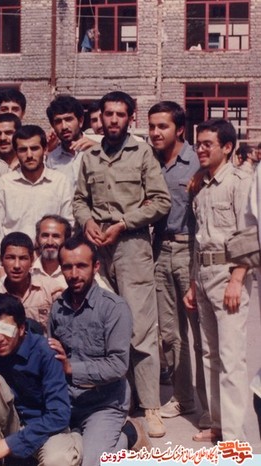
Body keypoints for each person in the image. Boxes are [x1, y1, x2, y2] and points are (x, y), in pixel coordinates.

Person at [73, 91, 171, 438]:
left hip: (130, 245)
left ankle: (150, 406)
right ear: (100, 118)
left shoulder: (142, 153)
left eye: (120, 114)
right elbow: (79, 199)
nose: (113, 120)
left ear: (131, 118)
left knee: (140, 328)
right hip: (97, 248)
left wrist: (124, 223)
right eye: (108, 114)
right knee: (103, 325)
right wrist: (86, 221)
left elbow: (161, 201)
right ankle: (118, 401)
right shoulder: (91, 156)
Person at [48, 236, 150, 466]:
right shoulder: (57, 308)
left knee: (91, 462)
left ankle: (129, 435)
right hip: (67, 402)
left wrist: (70, 368)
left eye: (81, 266)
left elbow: (118, 365)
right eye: (67, 267)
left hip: (104, 403)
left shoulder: (114, 308)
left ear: (95, 266)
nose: (74, 274)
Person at [0, 294, 81, 466]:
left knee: (58, 460)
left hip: (41, 427)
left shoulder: (45, 351)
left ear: (21, 328)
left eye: (6, 329)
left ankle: (73, 440)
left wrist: (11, 444)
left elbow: (59, 414)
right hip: (3, 425)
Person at [184, 118, 254, 442]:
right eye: (198, 143)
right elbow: (198, 239)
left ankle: (235, 439)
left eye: (207, 144)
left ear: (227, 147)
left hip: (228, 275)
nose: (200, 149)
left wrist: (237, 279)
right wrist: (193, 282)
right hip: (203, 274)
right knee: (209, 355)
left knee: (231, 358)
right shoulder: (201, 185)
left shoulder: (240, 182)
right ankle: (218, 423)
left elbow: (249, 235)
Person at [148, 102, 208, 428]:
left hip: (189, 250)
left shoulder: (197, 162)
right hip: (160, 248)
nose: (156, 132)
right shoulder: (149, 161)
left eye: (163, 126)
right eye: (152, 126)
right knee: (170, 333)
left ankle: (211, 406)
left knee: (201, 334)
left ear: (180, 129)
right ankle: (183, 397)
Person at [0, 125, 73, 272]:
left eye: (34, 148)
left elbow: (69, 225)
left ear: (45, 149)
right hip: (15, 264)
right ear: (16, 152)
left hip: (51, 262)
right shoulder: (5, 183)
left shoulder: (60, 182)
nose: (29, 155)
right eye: (23, 150)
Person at [0, 232, 61, 331]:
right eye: (10, 258)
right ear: (1, 260)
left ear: (32, 261)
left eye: (23, 258)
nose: (17, 265)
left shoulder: (51, 290)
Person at [45, 95, 92, 189]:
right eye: (58, 121)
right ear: (53, 126)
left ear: (80, 121)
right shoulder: (52, 159)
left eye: (69, 119)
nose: (64, 127)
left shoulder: (98, 145)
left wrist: (99, 147)